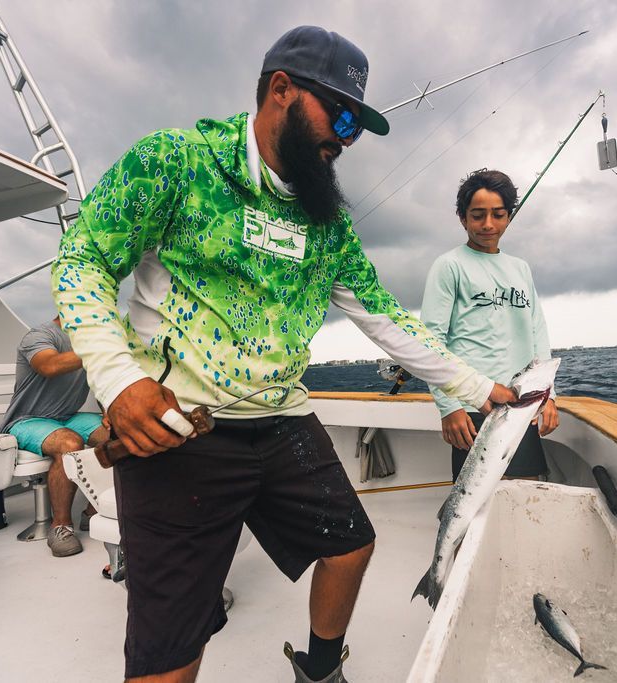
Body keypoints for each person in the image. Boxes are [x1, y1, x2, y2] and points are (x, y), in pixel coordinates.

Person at [51, 26, 516, 683]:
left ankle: (319, 669)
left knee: (352, 546)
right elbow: (83, 258)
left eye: (358, 126)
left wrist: (479, 387)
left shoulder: (329, 222)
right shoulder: (175, 162)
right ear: (281, 91)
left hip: (284, 423)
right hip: (183, 431)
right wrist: (118, 380)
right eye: (342, 115)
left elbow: (383, 314)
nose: (347, 138)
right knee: (172, 654)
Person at [421, 169, 560, 482]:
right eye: (477, 215)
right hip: (473, 406)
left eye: (498, 215)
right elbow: (431, 341)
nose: (487, 225)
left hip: (521, 405)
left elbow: (538, 333)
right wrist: (448, 406)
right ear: (462, 217)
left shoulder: (520, 268)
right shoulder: (449, 266)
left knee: (525, 497)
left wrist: (548, 396)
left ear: (508, 216)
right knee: (473, 508)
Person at [0, 317, 108, 557]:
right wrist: (99, 350)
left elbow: (102, 385)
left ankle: (93, 512)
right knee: (69, 442)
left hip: (67, 416)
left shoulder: (90, 340)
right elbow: (49, 365)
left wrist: (109, 414)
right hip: (26, 420)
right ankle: (60, 527)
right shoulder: (40, 336)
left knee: (120, 433)